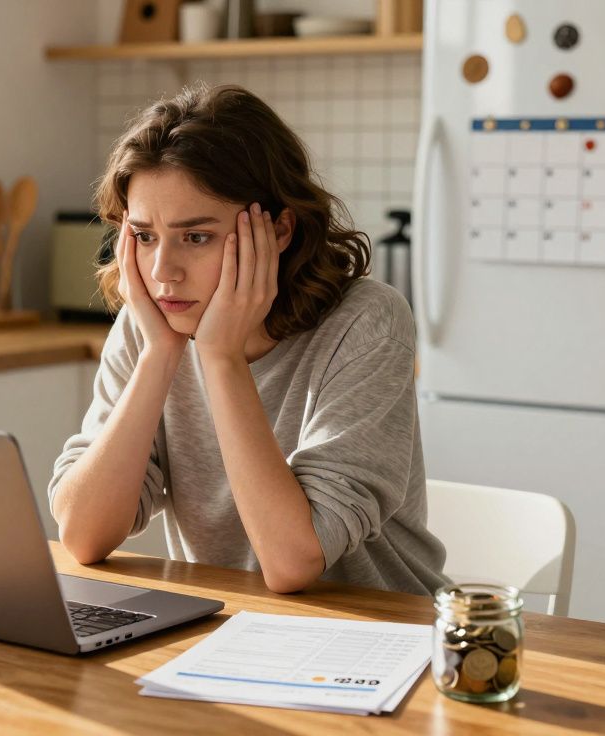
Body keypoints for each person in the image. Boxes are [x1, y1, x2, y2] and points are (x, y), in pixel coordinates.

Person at [47, 83, 447, 595]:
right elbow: (83, 536)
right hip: (230, 634)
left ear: (278, 230)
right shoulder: (151, 326)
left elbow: (291, 562)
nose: (164, 271)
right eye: (145, 236)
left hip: (384, 635)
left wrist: (221, 358)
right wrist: (159, 355)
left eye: (196, 237)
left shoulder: (366, 323)